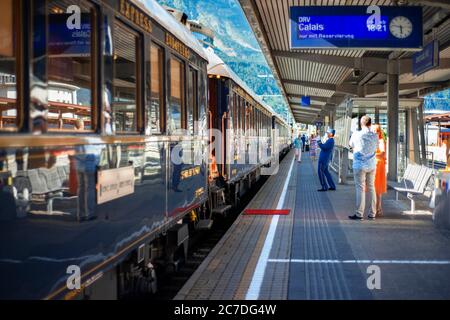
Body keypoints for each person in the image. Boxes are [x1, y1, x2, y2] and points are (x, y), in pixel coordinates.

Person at [348, 115, 379, 220]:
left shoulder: (356, 134)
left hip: (359, 165)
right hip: (371, 165)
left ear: (361, 124)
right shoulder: (375, 135)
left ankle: (359, 214)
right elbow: (376, 147)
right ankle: (372, 213)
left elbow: (350, 144)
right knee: (371, 187)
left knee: (360, 189)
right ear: (370, 123)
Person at [373, 124, 387, 217]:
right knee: (375, 189)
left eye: (375, 131)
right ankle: (378, 208)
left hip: (379, 166)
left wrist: (372, 155)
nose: (374, 132)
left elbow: (382, 154)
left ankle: (377, 209)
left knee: (377, 189)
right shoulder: (376, 141)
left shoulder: (381, 141)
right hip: (375, 165)